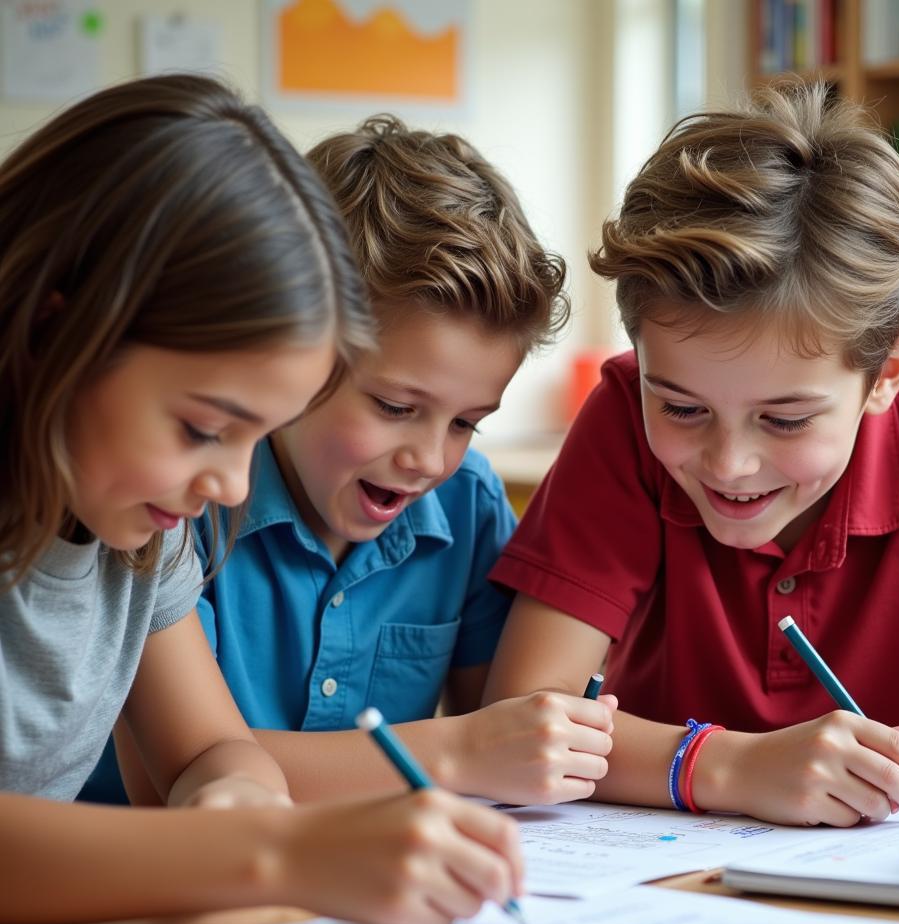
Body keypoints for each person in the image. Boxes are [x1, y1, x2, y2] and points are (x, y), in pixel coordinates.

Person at [1, 75, 521, 924]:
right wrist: (274, 856)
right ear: (58, 335)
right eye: (206, 427)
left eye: (258, 435)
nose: (235, 488)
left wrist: (232, 798)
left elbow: (206, 749)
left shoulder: (134, 532)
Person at [483, 83, 899, 833]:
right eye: (680, 407)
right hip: (655, 874)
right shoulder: (620, 419)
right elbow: (518, 717)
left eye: (786, 418)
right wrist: (730, 766)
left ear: (887, 376)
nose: (730, 463)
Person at [83, 114, 615, 811]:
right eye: (395, 407)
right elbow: (177, 771)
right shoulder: (177, 500)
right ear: (296, 350)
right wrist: (460, 752)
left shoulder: (467, 501)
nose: (428, 459)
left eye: (466, 424)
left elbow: (508, 732)